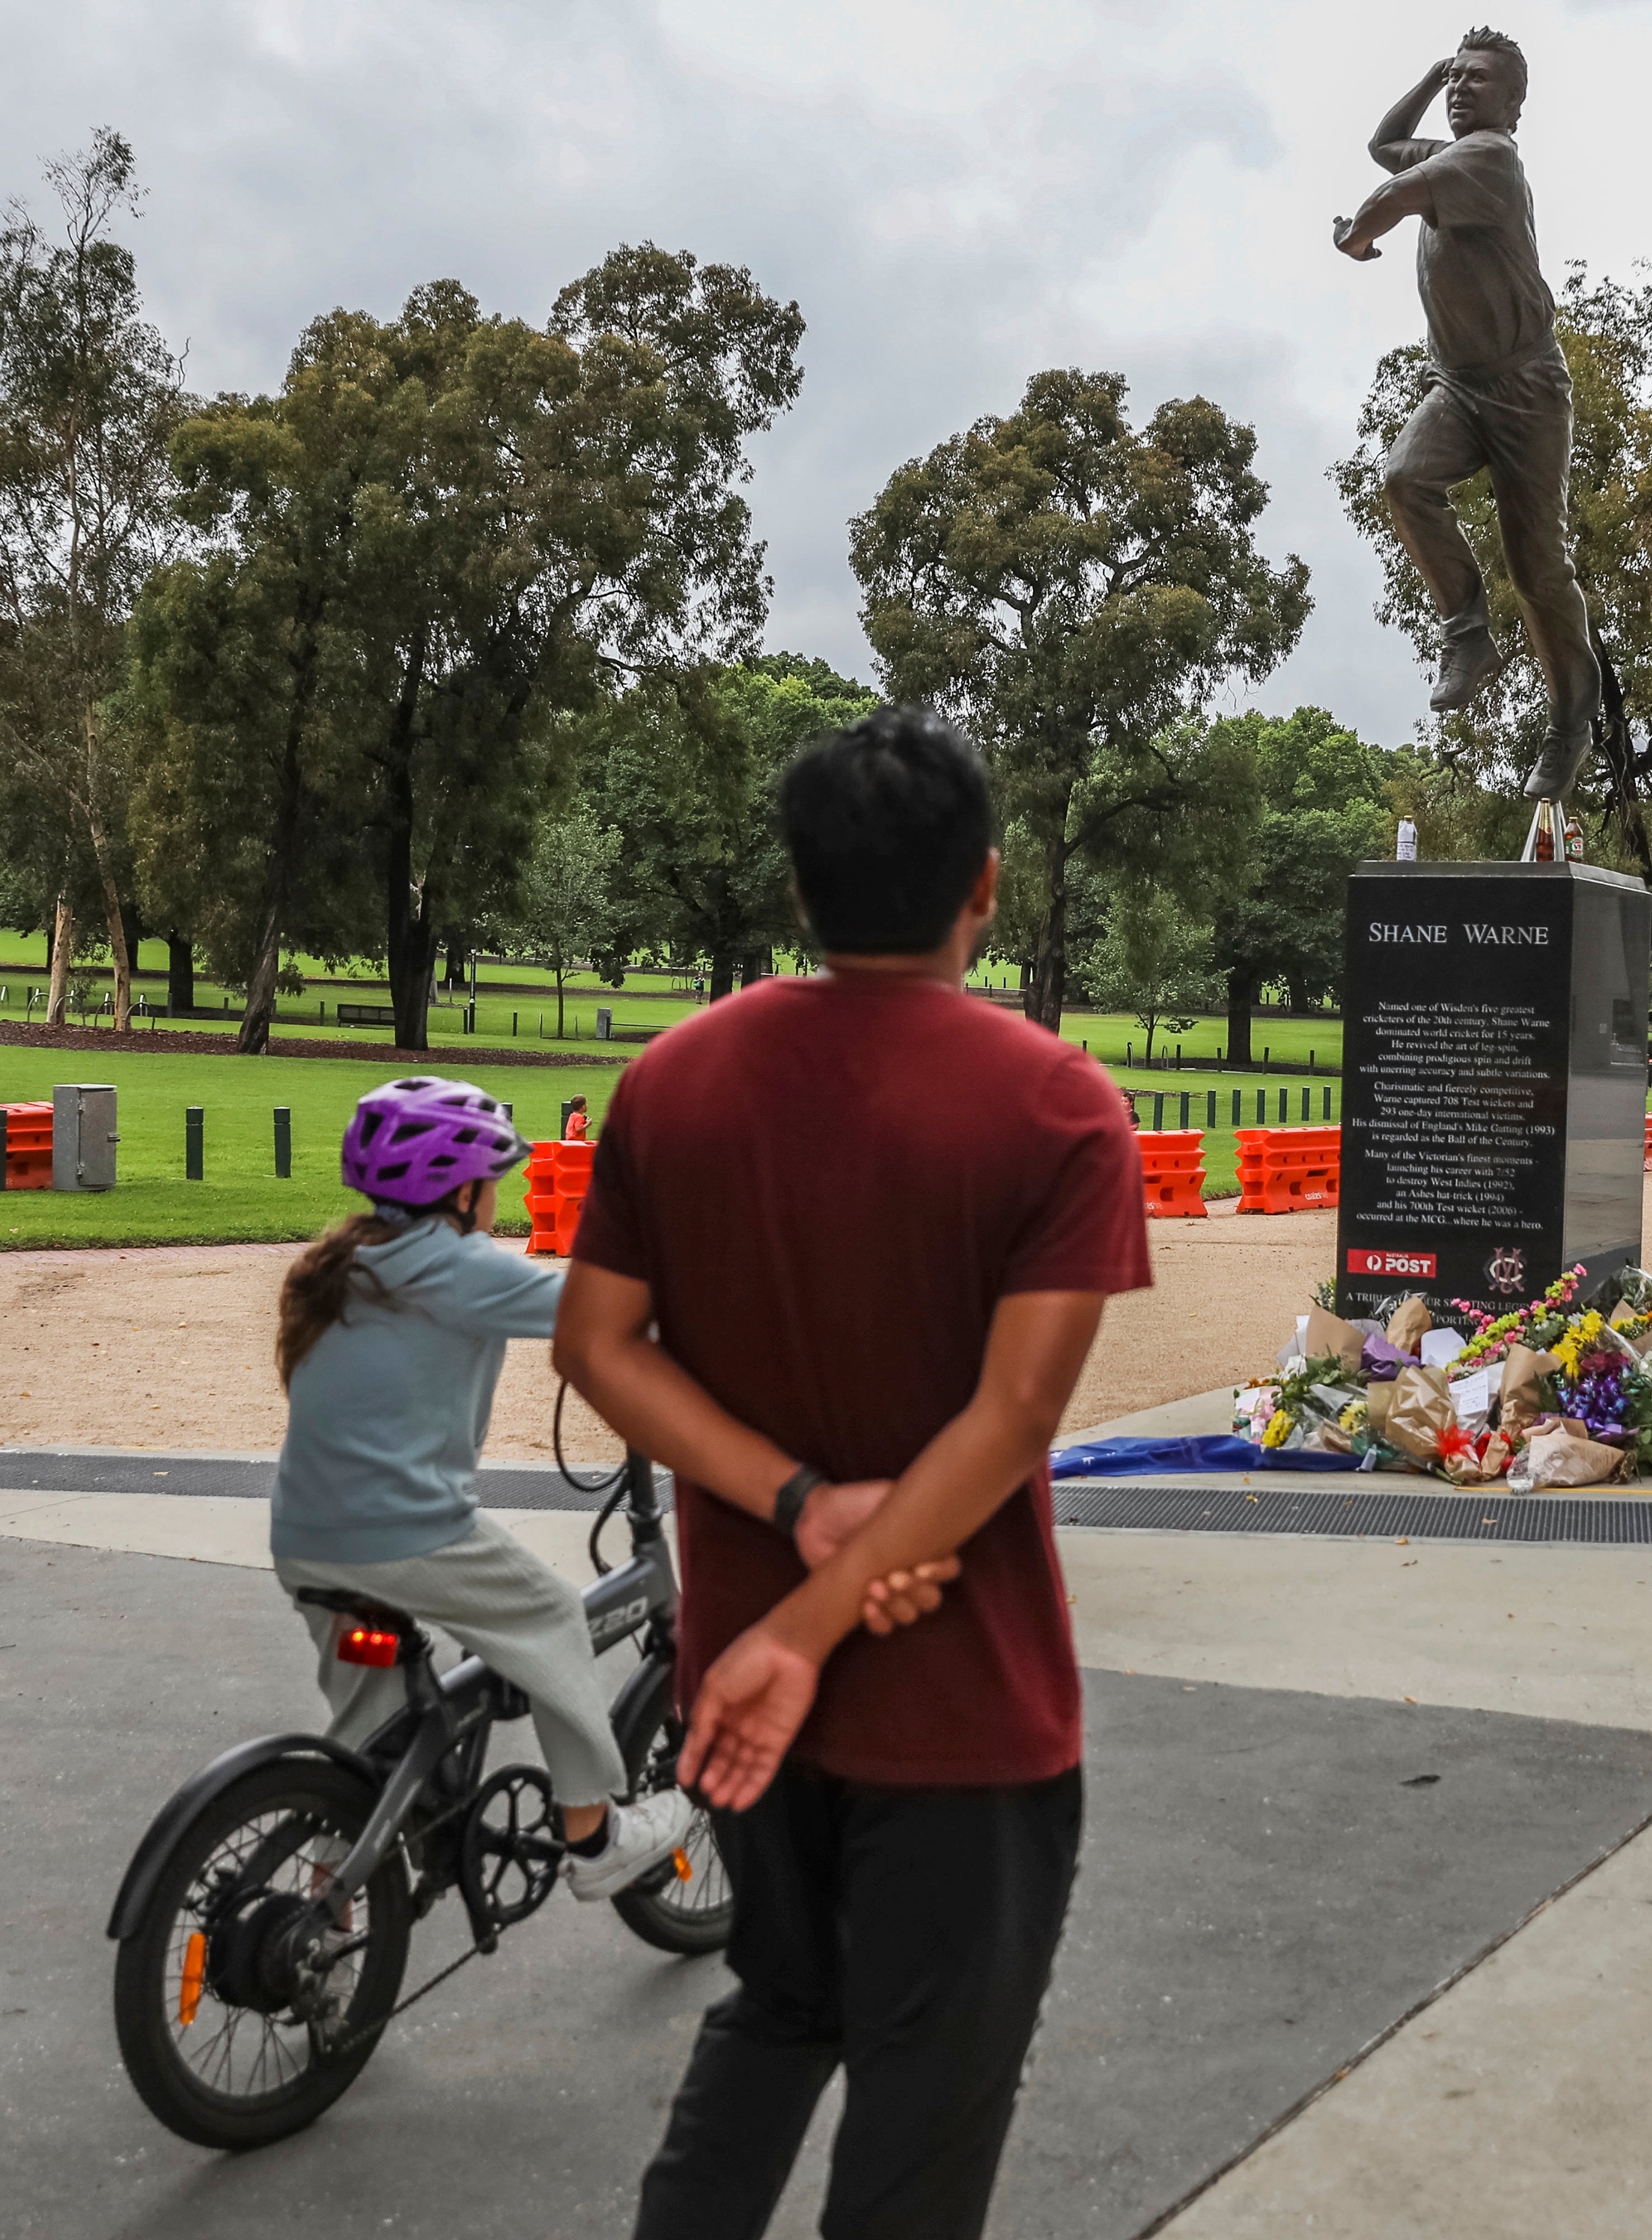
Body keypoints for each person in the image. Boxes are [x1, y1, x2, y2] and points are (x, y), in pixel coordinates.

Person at [557, 705, 1151, 2240]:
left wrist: (795, 1515)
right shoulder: (1058, 1107)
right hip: (960, 1704)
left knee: (778, 2008)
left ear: (801, 894)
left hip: (743, 1691)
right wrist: (815, 1623)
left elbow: (598, 1347)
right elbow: (1014, 1419)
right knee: (925, 2114)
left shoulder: (674, 1082)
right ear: (987, 888)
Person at [265, 1076, 689, 1898]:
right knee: (553, 1617)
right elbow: (597, 1309)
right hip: (407, 1538)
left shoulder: (349, 1261)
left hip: (309, 1540)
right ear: (463, 1191)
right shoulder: (456, 1266)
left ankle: (327, 1899)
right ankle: (595, 1838)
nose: (498, 1196)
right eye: (493, 1180)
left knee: (371, 1726)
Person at [1332, 25, 1603, 800]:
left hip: (1525, 392)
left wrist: (1356, 238)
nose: (1460, 89)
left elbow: (1391, 193)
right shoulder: (1449, 155)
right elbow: (1386, 146)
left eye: (1476, 79)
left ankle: (1570, 727)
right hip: (1460, 385)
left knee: (1539, 572)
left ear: (1514, 105)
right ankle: (1467, 633)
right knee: (1404, 480)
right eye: (1455, 78)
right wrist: (1427, 73)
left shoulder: (1491, 161)